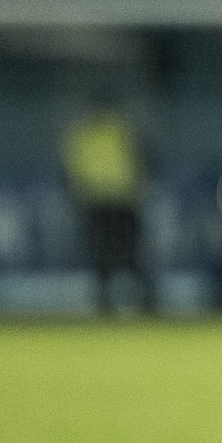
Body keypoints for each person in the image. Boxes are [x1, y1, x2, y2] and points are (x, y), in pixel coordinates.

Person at [59, 101, 153, 314]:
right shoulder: (121, 129)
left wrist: (76, 193)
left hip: (101, 201)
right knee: (128, 252)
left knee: (105, 253)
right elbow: (140, 158)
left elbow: (73, 166)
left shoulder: (83, 133)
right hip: (120, 199)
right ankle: (142, 299)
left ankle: (107, 299)